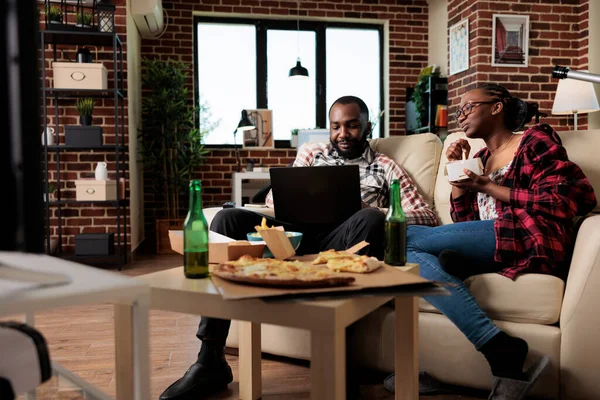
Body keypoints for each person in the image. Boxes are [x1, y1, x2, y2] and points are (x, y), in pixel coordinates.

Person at [159, 95, 439, 400]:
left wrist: (373, 208)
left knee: (370, 218)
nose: (342, 133)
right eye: (336, 126)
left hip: (346, 242)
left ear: (367, 126)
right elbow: (271, 203)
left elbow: (427, 215)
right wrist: (284, 198)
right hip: (295, 235)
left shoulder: (385, 166)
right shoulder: (312, 153)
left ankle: (340, 362)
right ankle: (210, 359)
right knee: (227, 219)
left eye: (352, 125)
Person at [385, 84, 597, 397]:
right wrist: (458, 176)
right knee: (402, 246)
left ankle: (459, 270)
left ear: (497, 107)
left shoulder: (534, 139)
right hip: (496, 238)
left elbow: (569, 199)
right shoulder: (482, 157)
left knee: (402, 239)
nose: (461, 115)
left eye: (468, 107)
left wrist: (490, 187)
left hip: (530, 234)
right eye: (458, 110)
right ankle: (495, 342)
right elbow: (467, 224)